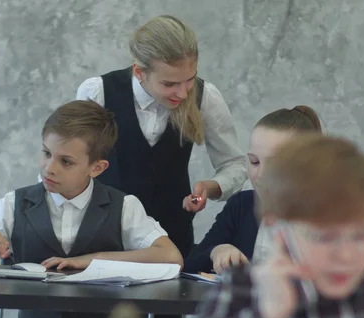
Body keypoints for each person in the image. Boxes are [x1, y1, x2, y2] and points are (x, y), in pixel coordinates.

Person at [179, 134, 364, 318]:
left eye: (359, 235)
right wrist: (266, 314)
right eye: (324, 238)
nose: (345, 254)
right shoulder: (242, 290)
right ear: (281, 232)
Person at [0, 100, 183, 318]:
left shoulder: (124, 207)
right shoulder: (14, 204)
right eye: (46, 153)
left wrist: (92, 260)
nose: (49, 168)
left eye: (65, 161)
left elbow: (171, 257)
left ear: (97, 168)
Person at [75, 15, 247, 259]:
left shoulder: (205, 97)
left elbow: (235, 165)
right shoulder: (97, 92)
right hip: (103, 240)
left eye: (189, 80)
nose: (182, 92)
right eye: (169, 83)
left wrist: (210, 187)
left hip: (172, 243)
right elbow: (70, 162)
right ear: (139, 72)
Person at [183, 106, 364, 274]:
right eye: (254, 162)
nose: (261, 174)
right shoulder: (242, 206)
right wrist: (217, 251)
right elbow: (192, 263)